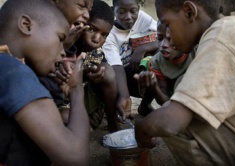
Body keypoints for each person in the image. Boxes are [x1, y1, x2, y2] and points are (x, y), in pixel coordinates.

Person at [135, 0, 235, 165]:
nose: (168, 34)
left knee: (172, 121)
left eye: (167, 24)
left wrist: (141, 127)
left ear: (189, 12)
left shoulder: (221, 39)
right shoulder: (229, 29)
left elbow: (170, 123)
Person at [0, 0, 90, 165]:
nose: (63, 52)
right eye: (60, 38)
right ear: (26, 25)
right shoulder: (13, 70)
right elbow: (75, 157)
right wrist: (76, 89)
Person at [65, 0, 121, 132]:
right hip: (60, 106)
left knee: (107, 71)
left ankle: (113, 123)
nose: (96, 39)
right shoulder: (65, 45)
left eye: (104, 35)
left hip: (83, 103)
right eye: (91, 29)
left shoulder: (96, 53)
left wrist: (93, 73)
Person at [102, 0, 158, 117]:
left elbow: (163, 38)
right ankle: (113, 111)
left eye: (133, 11)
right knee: (108, 74)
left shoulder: (142, 18)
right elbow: (116, 66)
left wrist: (142, 49)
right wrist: (124, 95)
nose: (128, 17)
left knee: (157, 58)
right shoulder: (109, 33)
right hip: (120, 76)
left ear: (138, 9)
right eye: (121, 12)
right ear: (114, 12)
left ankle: (145, 106)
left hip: (138, 68)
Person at [134, 21, 195, 116]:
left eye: (170, 39)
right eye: (160, 38)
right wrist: (155, 87)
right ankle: (144, 106)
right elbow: (164, 102)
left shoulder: (196, 51)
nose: (163, 45)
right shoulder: (157, 62)